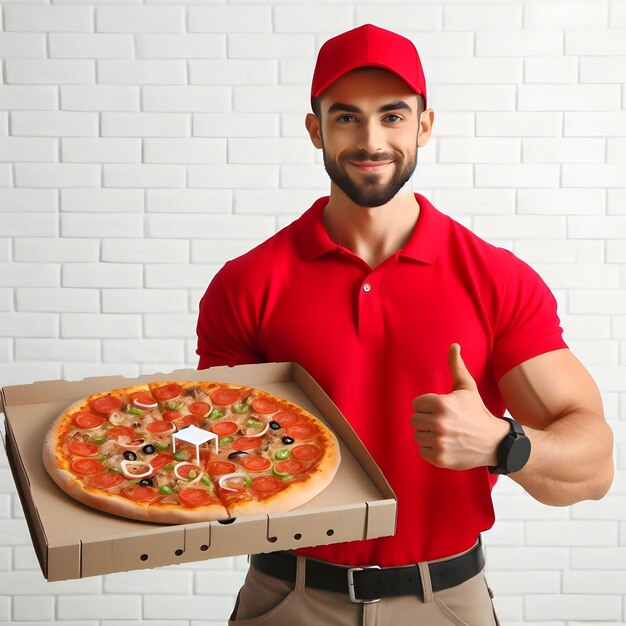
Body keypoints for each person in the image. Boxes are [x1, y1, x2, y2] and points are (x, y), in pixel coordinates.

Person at [196, 24, 613, 626]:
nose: (371, 140)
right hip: (289, 598)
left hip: (443, 602)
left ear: (424, 125)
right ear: (315, 129)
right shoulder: (247, 283)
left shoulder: (495, 279)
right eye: (346, 118)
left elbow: (594, 468)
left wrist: (502, 443)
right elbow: (217, 453)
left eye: (392, 116)